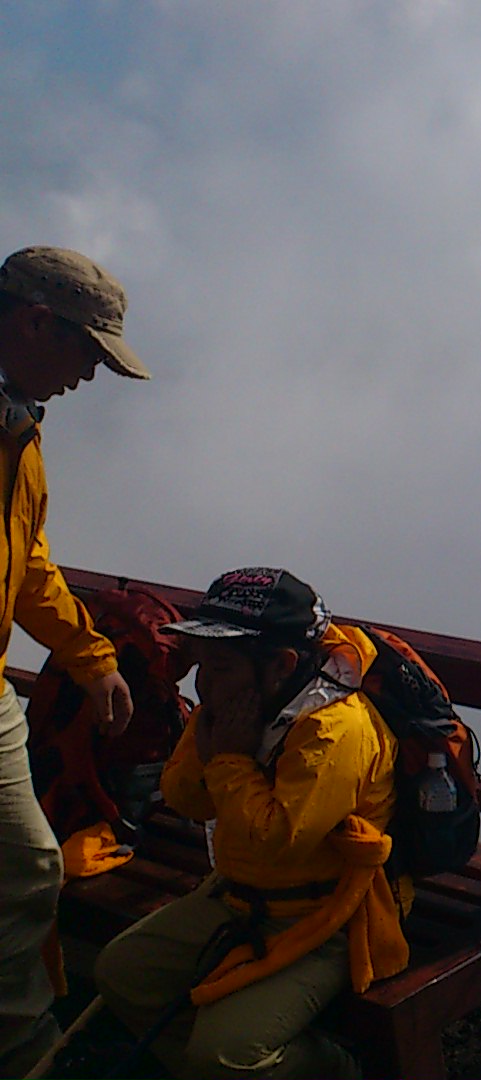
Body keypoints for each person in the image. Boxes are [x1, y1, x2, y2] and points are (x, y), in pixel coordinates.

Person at [93, 568, 410, 1079]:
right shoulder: (237, 703)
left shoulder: (333, 730)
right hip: (242, 894)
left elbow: (276, 842)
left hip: (324, 916)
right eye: (201, 665)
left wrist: (229, 763)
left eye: (219, 666)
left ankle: (340, 1072)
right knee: (124, 974)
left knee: (226, 1055)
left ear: (282, 664)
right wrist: (213, 737)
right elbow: (184, 798)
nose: (202, 683)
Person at [0, 246, 148, 1078]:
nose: (91, 377)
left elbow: (24, 560)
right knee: (22, 871)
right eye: (87, 353)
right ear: (33, 321)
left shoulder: (15, 418)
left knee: (24, 869)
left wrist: (90, 656)